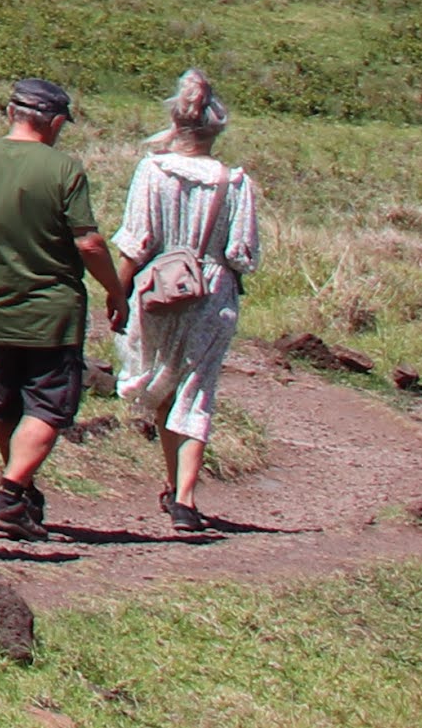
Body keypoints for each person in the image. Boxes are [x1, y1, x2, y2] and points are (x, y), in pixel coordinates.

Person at [0, 79, 126, 536]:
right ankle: (9, 494)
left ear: (10, 113)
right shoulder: (64, 168)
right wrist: (115, 290)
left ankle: (22, 494)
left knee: (5, 405)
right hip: (52, 312)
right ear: (57, 122)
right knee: (49, 406)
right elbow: (88, 241)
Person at [115, 70, 264, 535]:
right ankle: (185, 497)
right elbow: (244, 255)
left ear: (176, 124)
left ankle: (172, 483)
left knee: (162, 382)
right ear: (216, 130)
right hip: (213, 295)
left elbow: (137, 242)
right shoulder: (235, 182)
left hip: (159, 289)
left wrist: (116, 290)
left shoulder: (152, 170)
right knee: (197, 392)